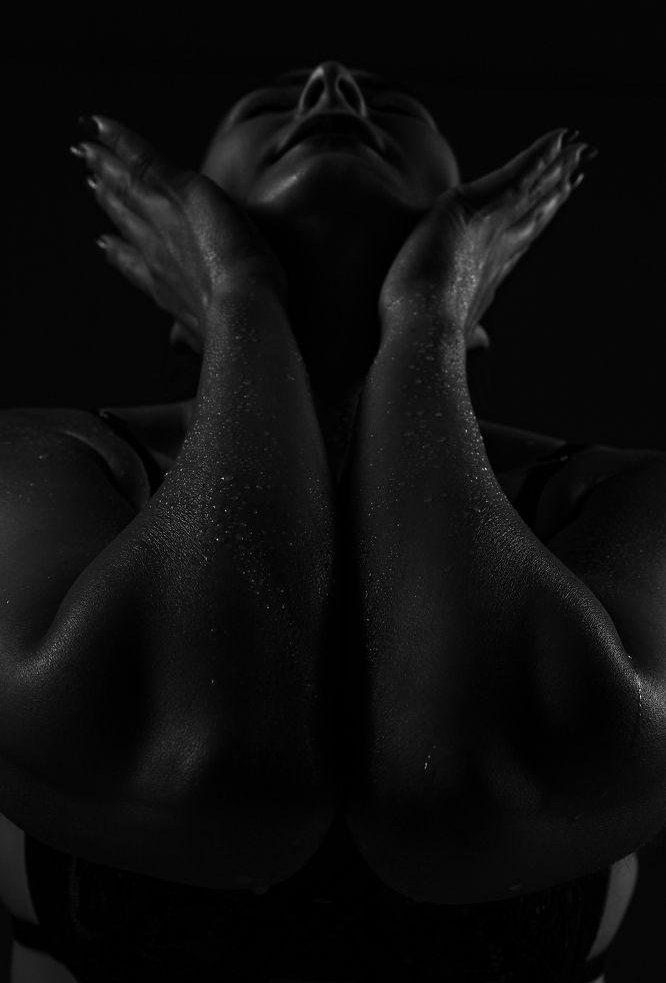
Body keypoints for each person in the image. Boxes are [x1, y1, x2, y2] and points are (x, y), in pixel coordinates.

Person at [0, 59, 660, 981]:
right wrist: (243, 301)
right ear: (177, 273)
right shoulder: (45, 457)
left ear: (480, 286)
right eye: (270, 103)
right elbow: (203, 772)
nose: (329, 85)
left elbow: (474, 791)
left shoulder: (618, 493)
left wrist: (422, 322)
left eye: (395, 107)